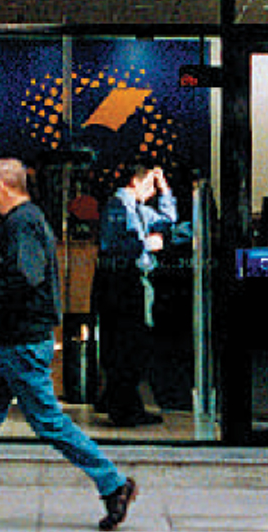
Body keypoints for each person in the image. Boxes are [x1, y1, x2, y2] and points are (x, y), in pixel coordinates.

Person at [0, 158, 138, 531]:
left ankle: (113, 483)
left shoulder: (22, 223)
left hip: (19, 341)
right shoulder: (25, 221)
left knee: (47, 421)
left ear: (2, 185)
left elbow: (26, 278)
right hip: (4, 341)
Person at [93, 164, 176, 427]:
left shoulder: (139, 209)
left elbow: (168, 219)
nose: (152, 192)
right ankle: (123, 407)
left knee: (133, 343)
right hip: (120, 281)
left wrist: (164, 187)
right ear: (134, 182)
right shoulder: (118, 207)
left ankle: (121, 401)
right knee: (125, 344)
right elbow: (111, 245)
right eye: (149, 186)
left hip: (134, 280)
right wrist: (145, 244)